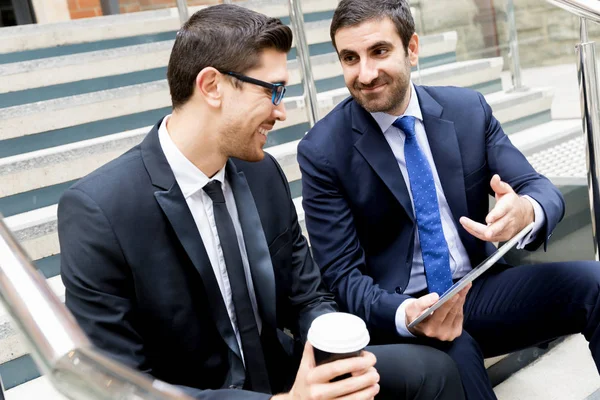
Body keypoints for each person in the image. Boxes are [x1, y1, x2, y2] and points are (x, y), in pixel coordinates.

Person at [58, 4, 465, 400]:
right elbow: (118, 386)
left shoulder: (263, 173)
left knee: (436, 370)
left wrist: (334, 355)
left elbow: (308, 297)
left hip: (286, 374)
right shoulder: (99, 211)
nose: (282, 112)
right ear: (212, 86)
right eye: (273, 91)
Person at [297, 0, 600, 399]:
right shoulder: (323, 151)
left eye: (380, 51)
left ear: (413, 48)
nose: (365, 73)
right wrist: (408, 315)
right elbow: (342, 279)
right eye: (350, 58)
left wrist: (526, 210)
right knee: (457, 357)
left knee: (596, 284)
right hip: (403, 312)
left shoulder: (467, 110)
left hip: (477, 289)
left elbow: (538, 187)